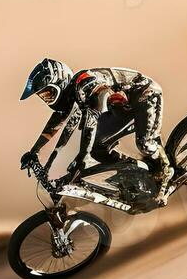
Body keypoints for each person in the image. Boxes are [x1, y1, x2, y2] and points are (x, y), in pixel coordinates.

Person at [18, 58, 171, 202]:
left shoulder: (85, 83)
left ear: (60, 82)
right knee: (98, 149)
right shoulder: (72, 96)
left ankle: (165, 172)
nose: (47, 99)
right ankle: (137, 170)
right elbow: (56, 126)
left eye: (49, 93)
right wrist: (34, 151)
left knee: (145, 143)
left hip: (145, 94)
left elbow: (91, 119)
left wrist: (82, 157)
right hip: (124, 107)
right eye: (43, 96)